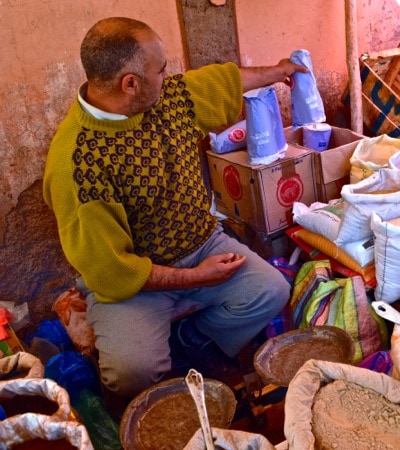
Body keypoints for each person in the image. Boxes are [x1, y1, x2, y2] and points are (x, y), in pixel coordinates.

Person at [43, 17, 308, 402]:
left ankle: (193, 337)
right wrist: (197, 277)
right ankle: (156, 356)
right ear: (129, 83)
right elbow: (113, 271)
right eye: (161, 69)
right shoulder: (77, 163)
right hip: (131, 283)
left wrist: (280, 71)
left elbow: (223, 82)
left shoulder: (166, 96)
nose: (169, 76)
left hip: (202, 244)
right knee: (133, 373)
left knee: (271, 291)